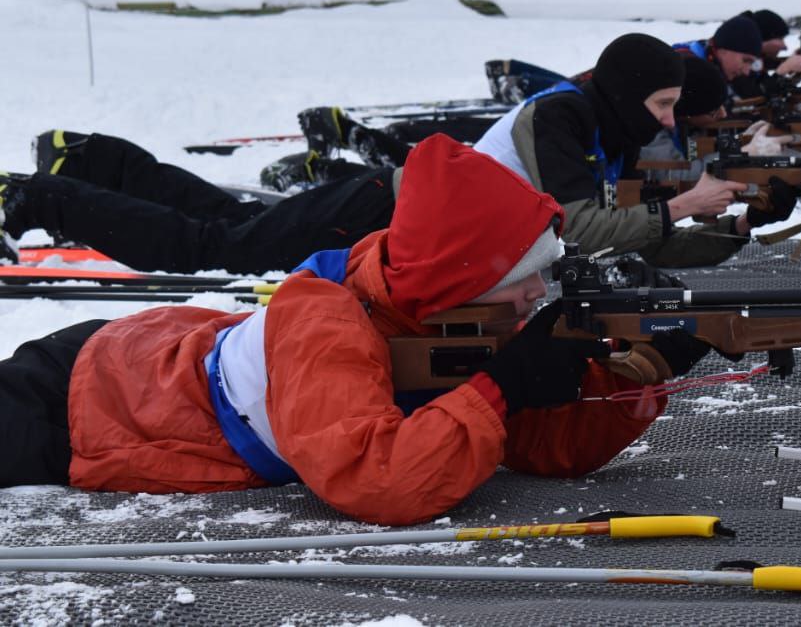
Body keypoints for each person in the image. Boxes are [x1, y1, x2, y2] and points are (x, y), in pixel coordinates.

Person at [0, 135, 712, 526]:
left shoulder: (446, 317)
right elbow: (380, 479)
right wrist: (504, 386)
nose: (538, 289)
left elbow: (537, 445)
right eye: (526, 272)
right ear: (462, 276)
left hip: (142, 363)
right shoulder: (327, 319)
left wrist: (639, 369)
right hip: (85, 397)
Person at [473, 32, 799, 268]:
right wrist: (683, 205)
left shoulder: (618, 132)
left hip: (507, 262)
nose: (671, 121)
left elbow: (654, 244)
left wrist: (743, 224)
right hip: (473, 254)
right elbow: (579, 235)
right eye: (663, 104)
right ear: (627, 96)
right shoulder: (558, 116)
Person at [0, 130, 397, 274]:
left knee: (246, 224)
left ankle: (88, 161)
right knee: (216, 250)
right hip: (392, 211)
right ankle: (29, 198)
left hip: (393, 196)